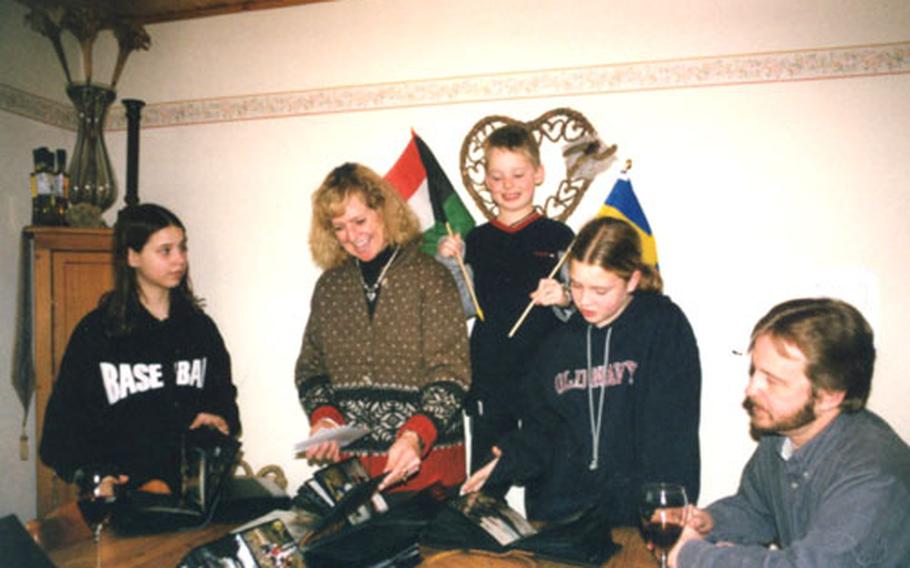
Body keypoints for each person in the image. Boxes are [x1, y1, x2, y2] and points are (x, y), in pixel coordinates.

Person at [461, 216, 701, 525]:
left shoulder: (661, 326)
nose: (585, 301)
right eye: (576, 285)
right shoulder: (558, 341)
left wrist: (666, 511)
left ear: (632, 280)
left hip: (636, 518)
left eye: (600, 290)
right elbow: (543, 428)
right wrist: (507, 462)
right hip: (560, 517)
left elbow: (672, 432)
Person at [670, 298, 910, 568]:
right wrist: (711, 522)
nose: (751, 389)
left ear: (829, 396)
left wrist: (692, 555)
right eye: (754, 372)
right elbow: (758, 510)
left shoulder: (873, 478)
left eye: (772, 380)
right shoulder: (783, 435)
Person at [40, 203, 241, 495]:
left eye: (182, 248)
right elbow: (60, 432)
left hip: (191, 495)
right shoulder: (96, 333)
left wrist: (220, 418)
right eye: (165, 250)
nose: (179, 260)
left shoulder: (200, 329)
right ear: (132, 257)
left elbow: (224, 401)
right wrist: (94, 475)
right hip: (122, 496)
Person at [295, 162, 471, 493]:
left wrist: (415, 436)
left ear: (384, 211)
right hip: (353, 477)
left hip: (427, 473)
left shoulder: (430, 276)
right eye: (339, 227)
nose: (353, 236)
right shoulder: (329, 287)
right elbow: (311, 368)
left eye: (360, 220)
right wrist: (325, 417)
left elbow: (452, 372)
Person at [437, 123, 574, 483]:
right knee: (484, 479)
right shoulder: (477, 240)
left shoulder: (559, 235)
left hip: (545, 376)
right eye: (497, 177)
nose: (508, 185)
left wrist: (564, 297)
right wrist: (452, 263)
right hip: (489, 374)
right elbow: (463, 307)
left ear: (538, 174)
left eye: (518, 174)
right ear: (486, 179)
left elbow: (582, 300)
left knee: (548, 479)